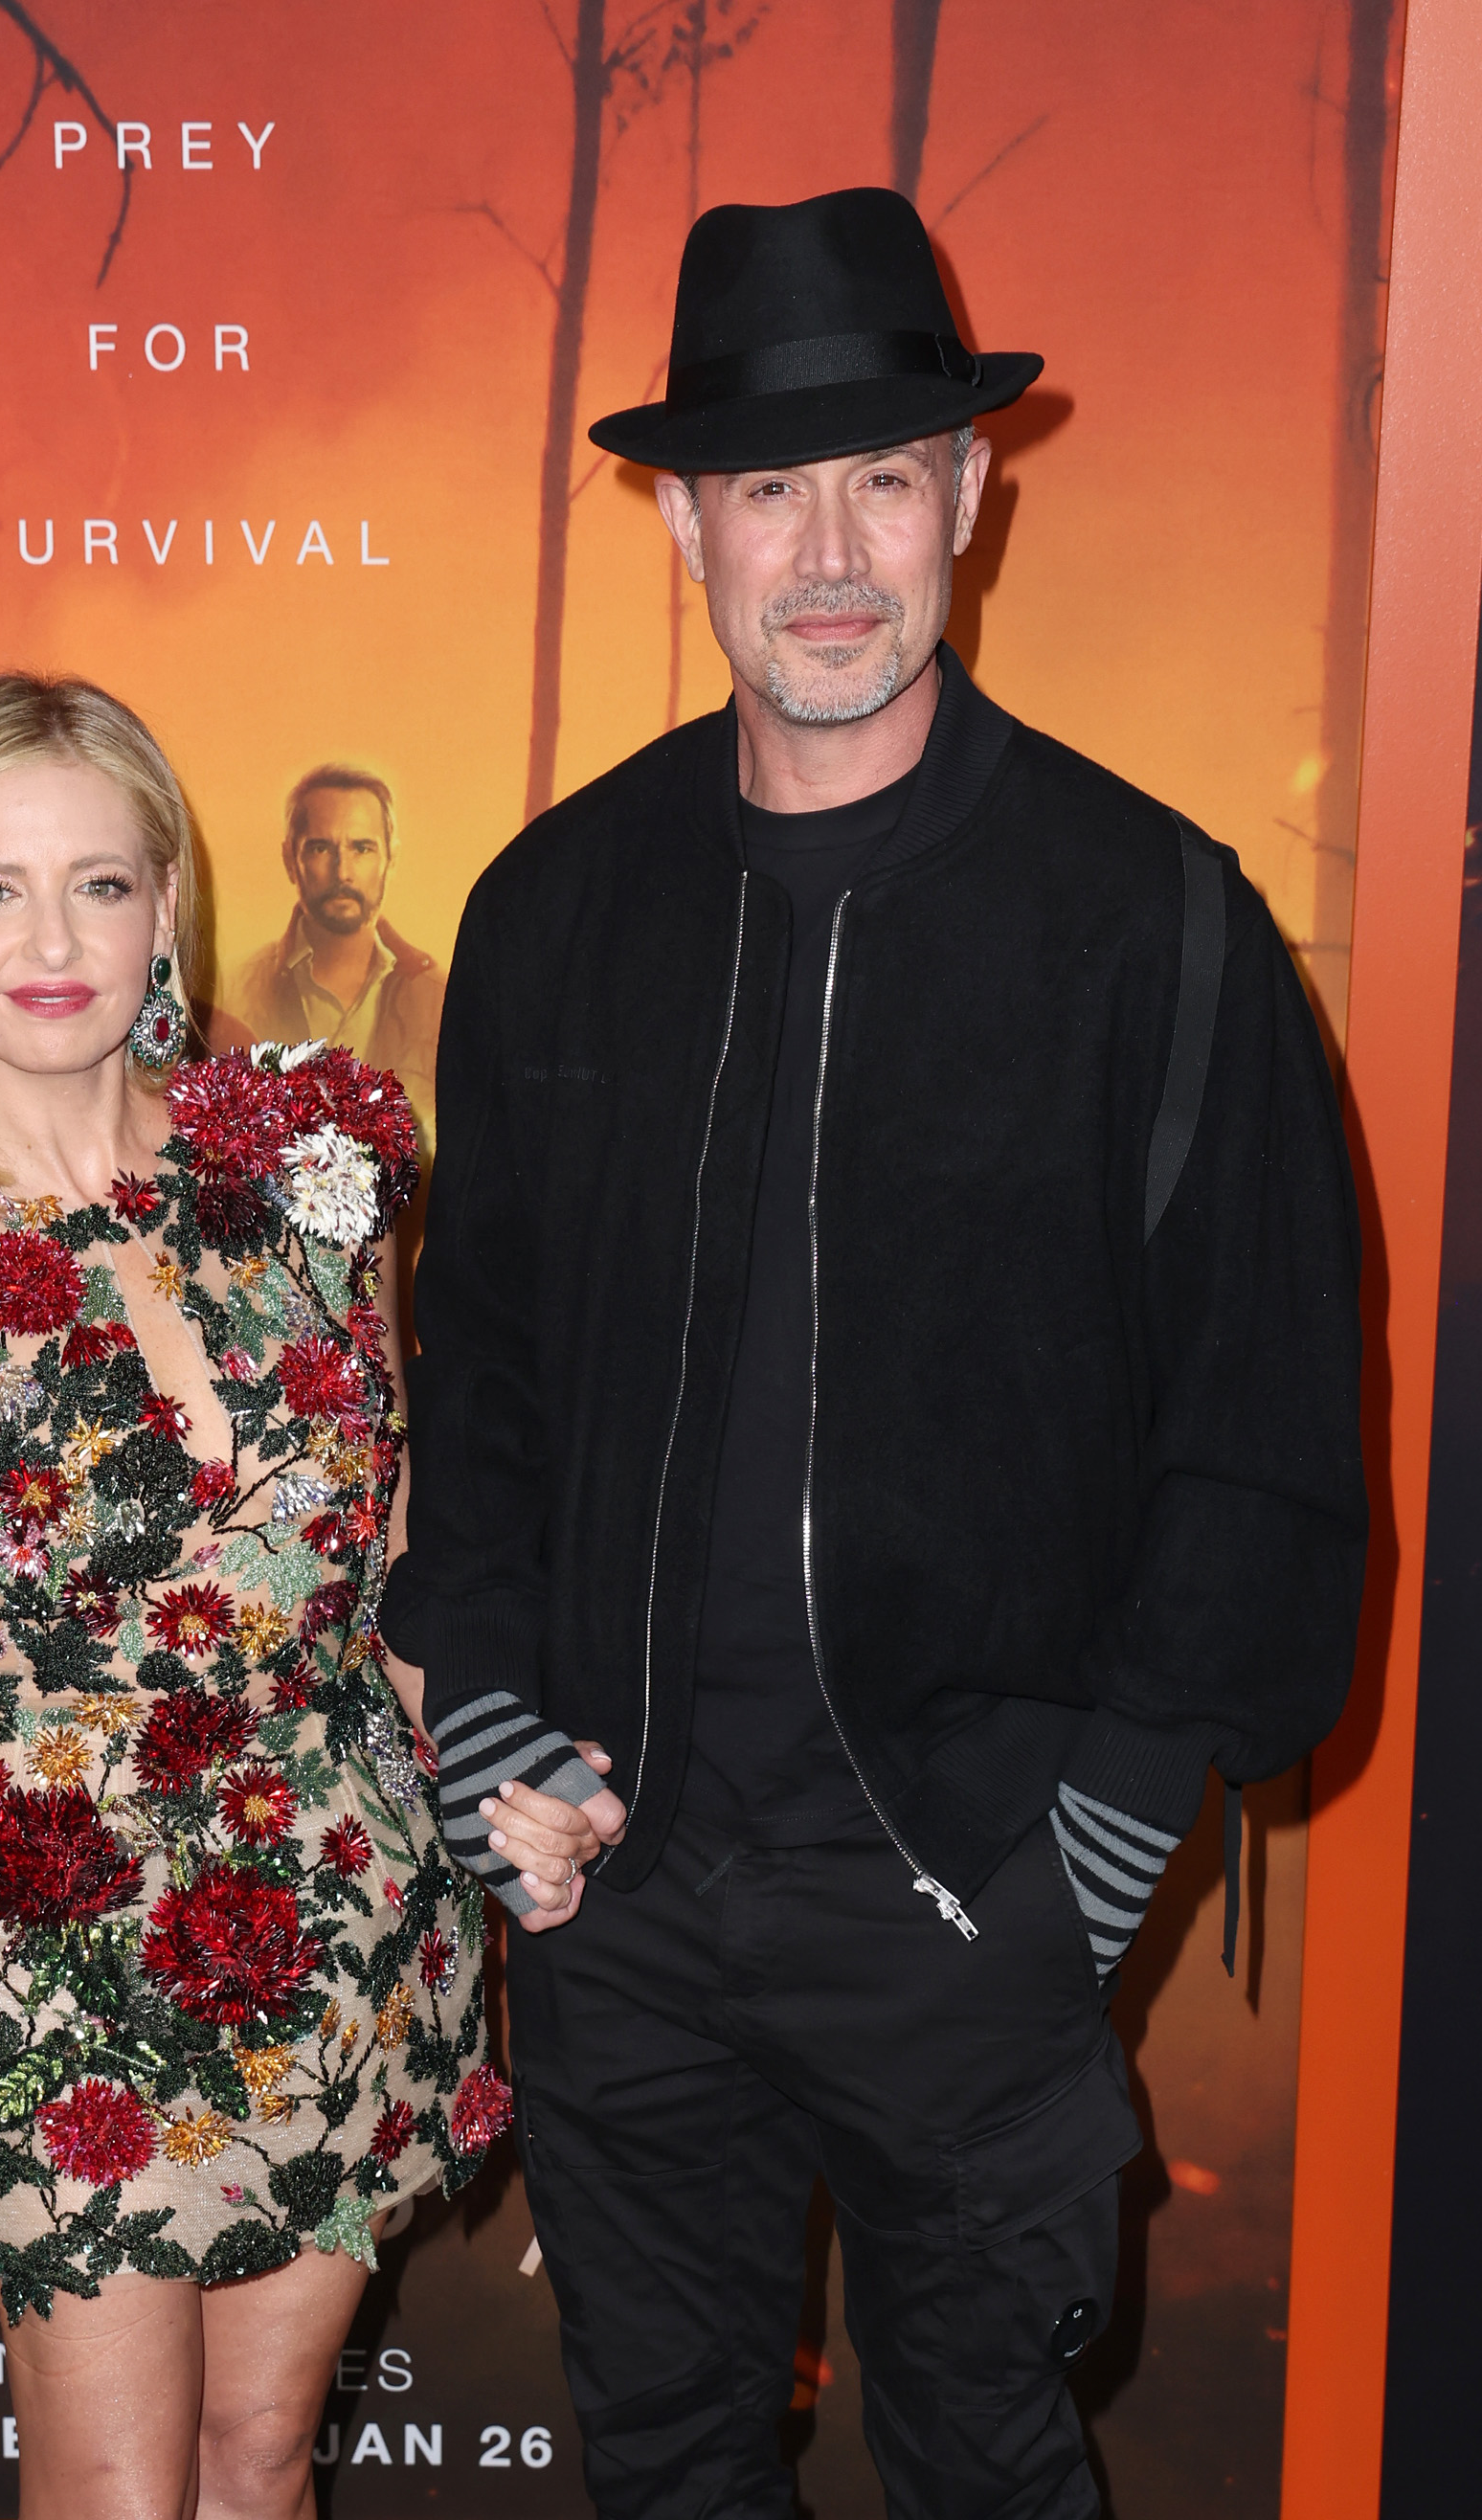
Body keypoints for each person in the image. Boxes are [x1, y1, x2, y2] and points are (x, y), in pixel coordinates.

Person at [381, 190, 1366, 2520]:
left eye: (880, 480)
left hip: (971, 1902)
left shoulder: (1157, 925)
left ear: (970, 496)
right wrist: (495, 1721)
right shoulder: (554, 910)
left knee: (987, 2482)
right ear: (679, 521)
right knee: (670, 2478)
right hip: (612, 1903)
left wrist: (1085, 1867)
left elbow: (1266, 1444)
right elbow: (485, 1378)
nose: (826, 550)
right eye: (764, 489)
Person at [0, 674, 508, 2520]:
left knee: (258, 2464)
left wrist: (499, 1808)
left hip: (343, 1913)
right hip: (46, 1961)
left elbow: (394, 1576)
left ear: (169, 905)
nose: (52, 940)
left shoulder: (312, 1171)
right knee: (117, 2500)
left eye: (99, 882)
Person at [229, 766, 445, 1159]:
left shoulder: (439, 1000)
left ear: (390, 859)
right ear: (290, 858)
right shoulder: (237, 990)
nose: (343, 871)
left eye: (362, 848)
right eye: (321, 848)